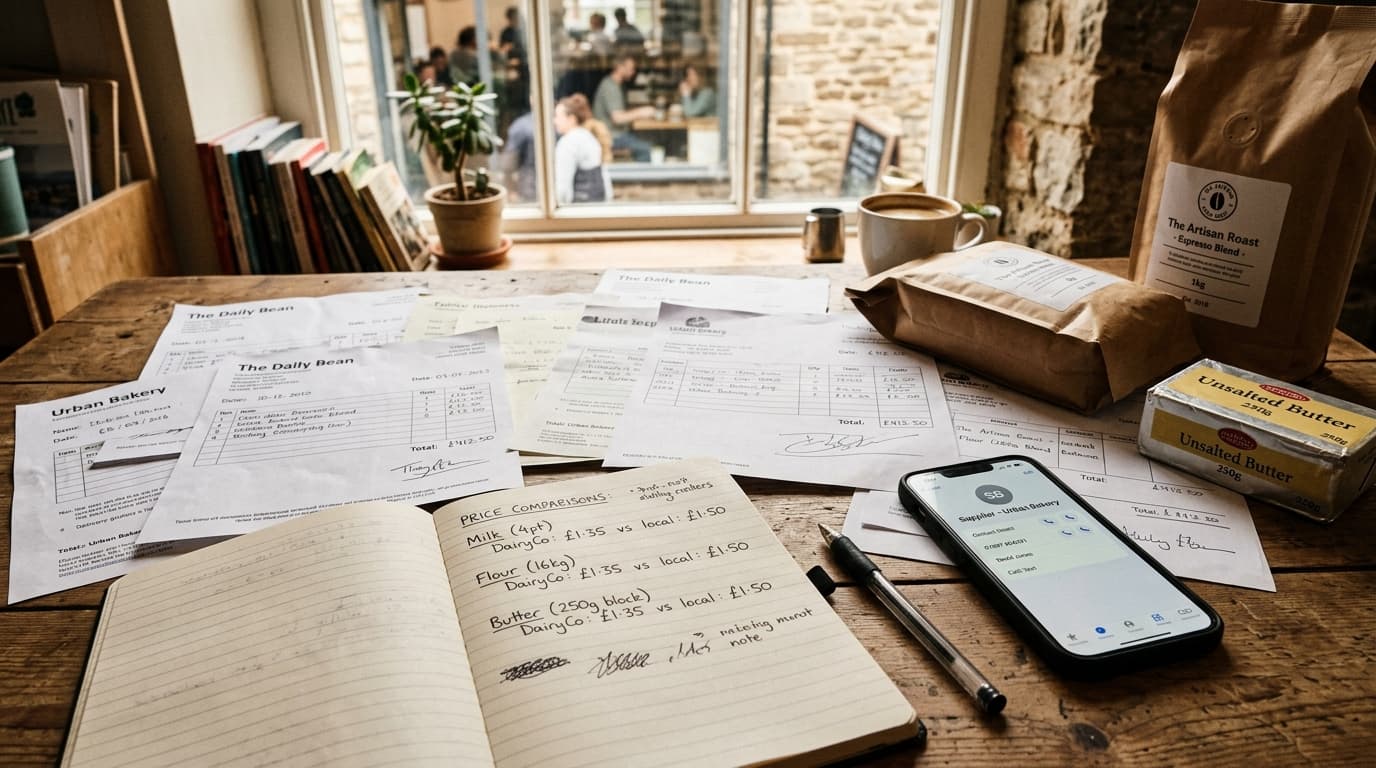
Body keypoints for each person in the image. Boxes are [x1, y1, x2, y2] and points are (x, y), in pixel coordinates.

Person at [592, 55, 656, 161]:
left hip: (617, 134)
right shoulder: (610, 87)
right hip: (611, 136)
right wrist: (641, 112)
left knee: (648, 140)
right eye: (631, 69)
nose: (633, 72)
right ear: (620, 67)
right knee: (646, 149)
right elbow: (618, 118)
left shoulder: (616, 85)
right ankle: (639, 177)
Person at [553, 94, 612, 204]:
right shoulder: (589, 137)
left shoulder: (568, 142)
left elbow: (562, 188)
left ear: (571, 119)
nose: (554, 121)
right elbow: (605, 180)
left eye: (557, 116)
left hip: (577, 210)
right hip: (596, 208)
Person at [502, 111, 537, 202]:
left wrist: (510, 190)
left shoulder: (521, 125)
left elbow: (508, 164)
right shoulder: (522, 126)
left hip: (529, 187)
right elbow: (509, 164)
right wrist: (511, 190)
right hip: (530, 187)